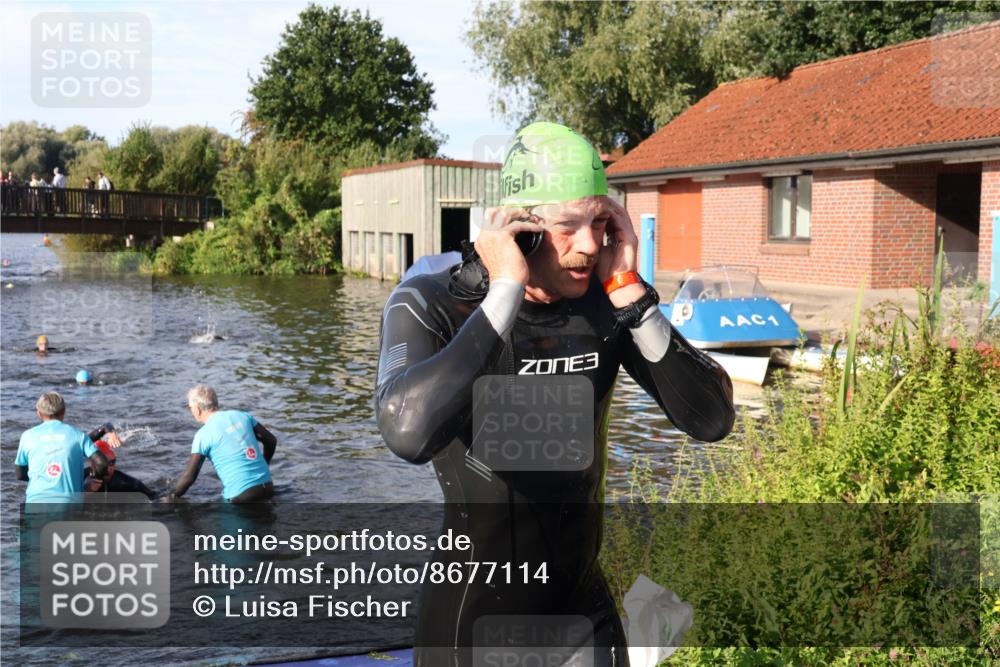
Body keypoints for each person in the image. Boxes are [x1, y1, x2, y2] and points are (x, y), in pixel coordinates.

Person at [375, 122, 735, 666]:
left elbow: (711, 419)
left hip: (581, 616)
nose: (590, 245)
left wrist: (633, 299)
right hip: (474, 624)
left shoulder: (605, 304)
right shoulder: (433, 300)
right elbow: (406, 432)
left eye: (601, 221)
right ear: (521, 226)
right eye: (569, 225)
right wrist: (505, 295)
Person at [164, 384, 277, 503]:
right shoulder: (242, 415)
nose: (191, 410)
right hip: (268, 487)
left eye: (190, 407)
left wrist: (171, 496)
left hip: (240, 494)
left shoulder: (203, 435)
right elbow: (271, 441)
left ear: (197, 410)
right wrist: (265, 464)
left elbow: (189, 477)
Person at [14, 392, 111, 503]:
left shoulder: (27, 436)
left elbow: (20, 474)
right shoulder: (78, 435)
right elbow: (102, 463)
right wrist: (93, 480)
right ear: (63, 412)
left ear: (39, 414)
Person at [84, 439, 156, 499]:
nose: (109, 468)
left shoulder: (122, 481)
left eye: (112, 463)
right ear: (92, 464)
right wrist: (85, 491)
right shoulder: (79, 478)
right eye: (104, 464)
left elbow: (154, 496)